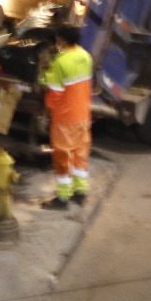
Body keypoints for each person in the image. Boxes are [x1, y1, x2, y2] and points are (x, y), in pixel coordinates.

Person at [41, 24, 93, 209]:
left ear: (61, 39)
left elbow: (54, 96)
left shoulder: (60, 62)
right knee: (80, 154)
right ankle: (81, 192)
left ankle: (63, 198)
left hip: (65, 118)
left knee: (63, 157)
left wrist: (47, 109)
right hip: (83, 115)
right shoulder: (86, 57)